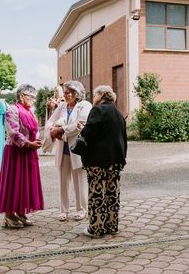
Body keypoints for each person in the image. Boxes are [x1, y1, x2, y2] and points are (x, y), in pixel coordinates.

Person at [76, 85, 127, 238]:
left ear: (103, 94)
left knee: (97, 193)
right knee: (112, 193)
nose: (93, 97)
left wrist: (82, 129)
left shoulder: (98, 110)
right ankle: (112, 226)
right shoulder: (118, 112)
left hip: (98, 161)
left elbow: (89, 133)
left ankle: (96, 228)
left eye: (95, 94)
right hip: (116, 160)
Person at [0, 84, 44, 228]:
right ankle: (9, 215)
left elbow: (35, 129)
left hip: (28, 151)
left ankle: (20, 212)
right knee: (13, 183)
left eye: (35, 98)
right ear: (22, 96)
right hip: (15, 151)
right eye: (31, 97)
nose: (34, 100)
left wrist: (37, 141)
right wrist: (29, 143)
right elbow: (13, 132)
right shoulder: (12, 110)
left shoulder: (30, 111)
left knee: (25, 183)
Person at [44, 80, 91, 222]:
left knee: (80, 181)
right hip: (63, 149)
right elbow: (50, 122)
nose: (64, 95)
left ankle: (82, 210)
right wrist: (53, 129)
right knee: (63, 181)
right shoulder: (63, 106)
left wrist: (61, 130)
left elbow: (80, 126)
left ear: (76, 94)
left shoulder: (85, 106)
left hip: (77, 150)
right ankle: (63, 210)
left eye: (67, 93)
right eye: (64, 92)